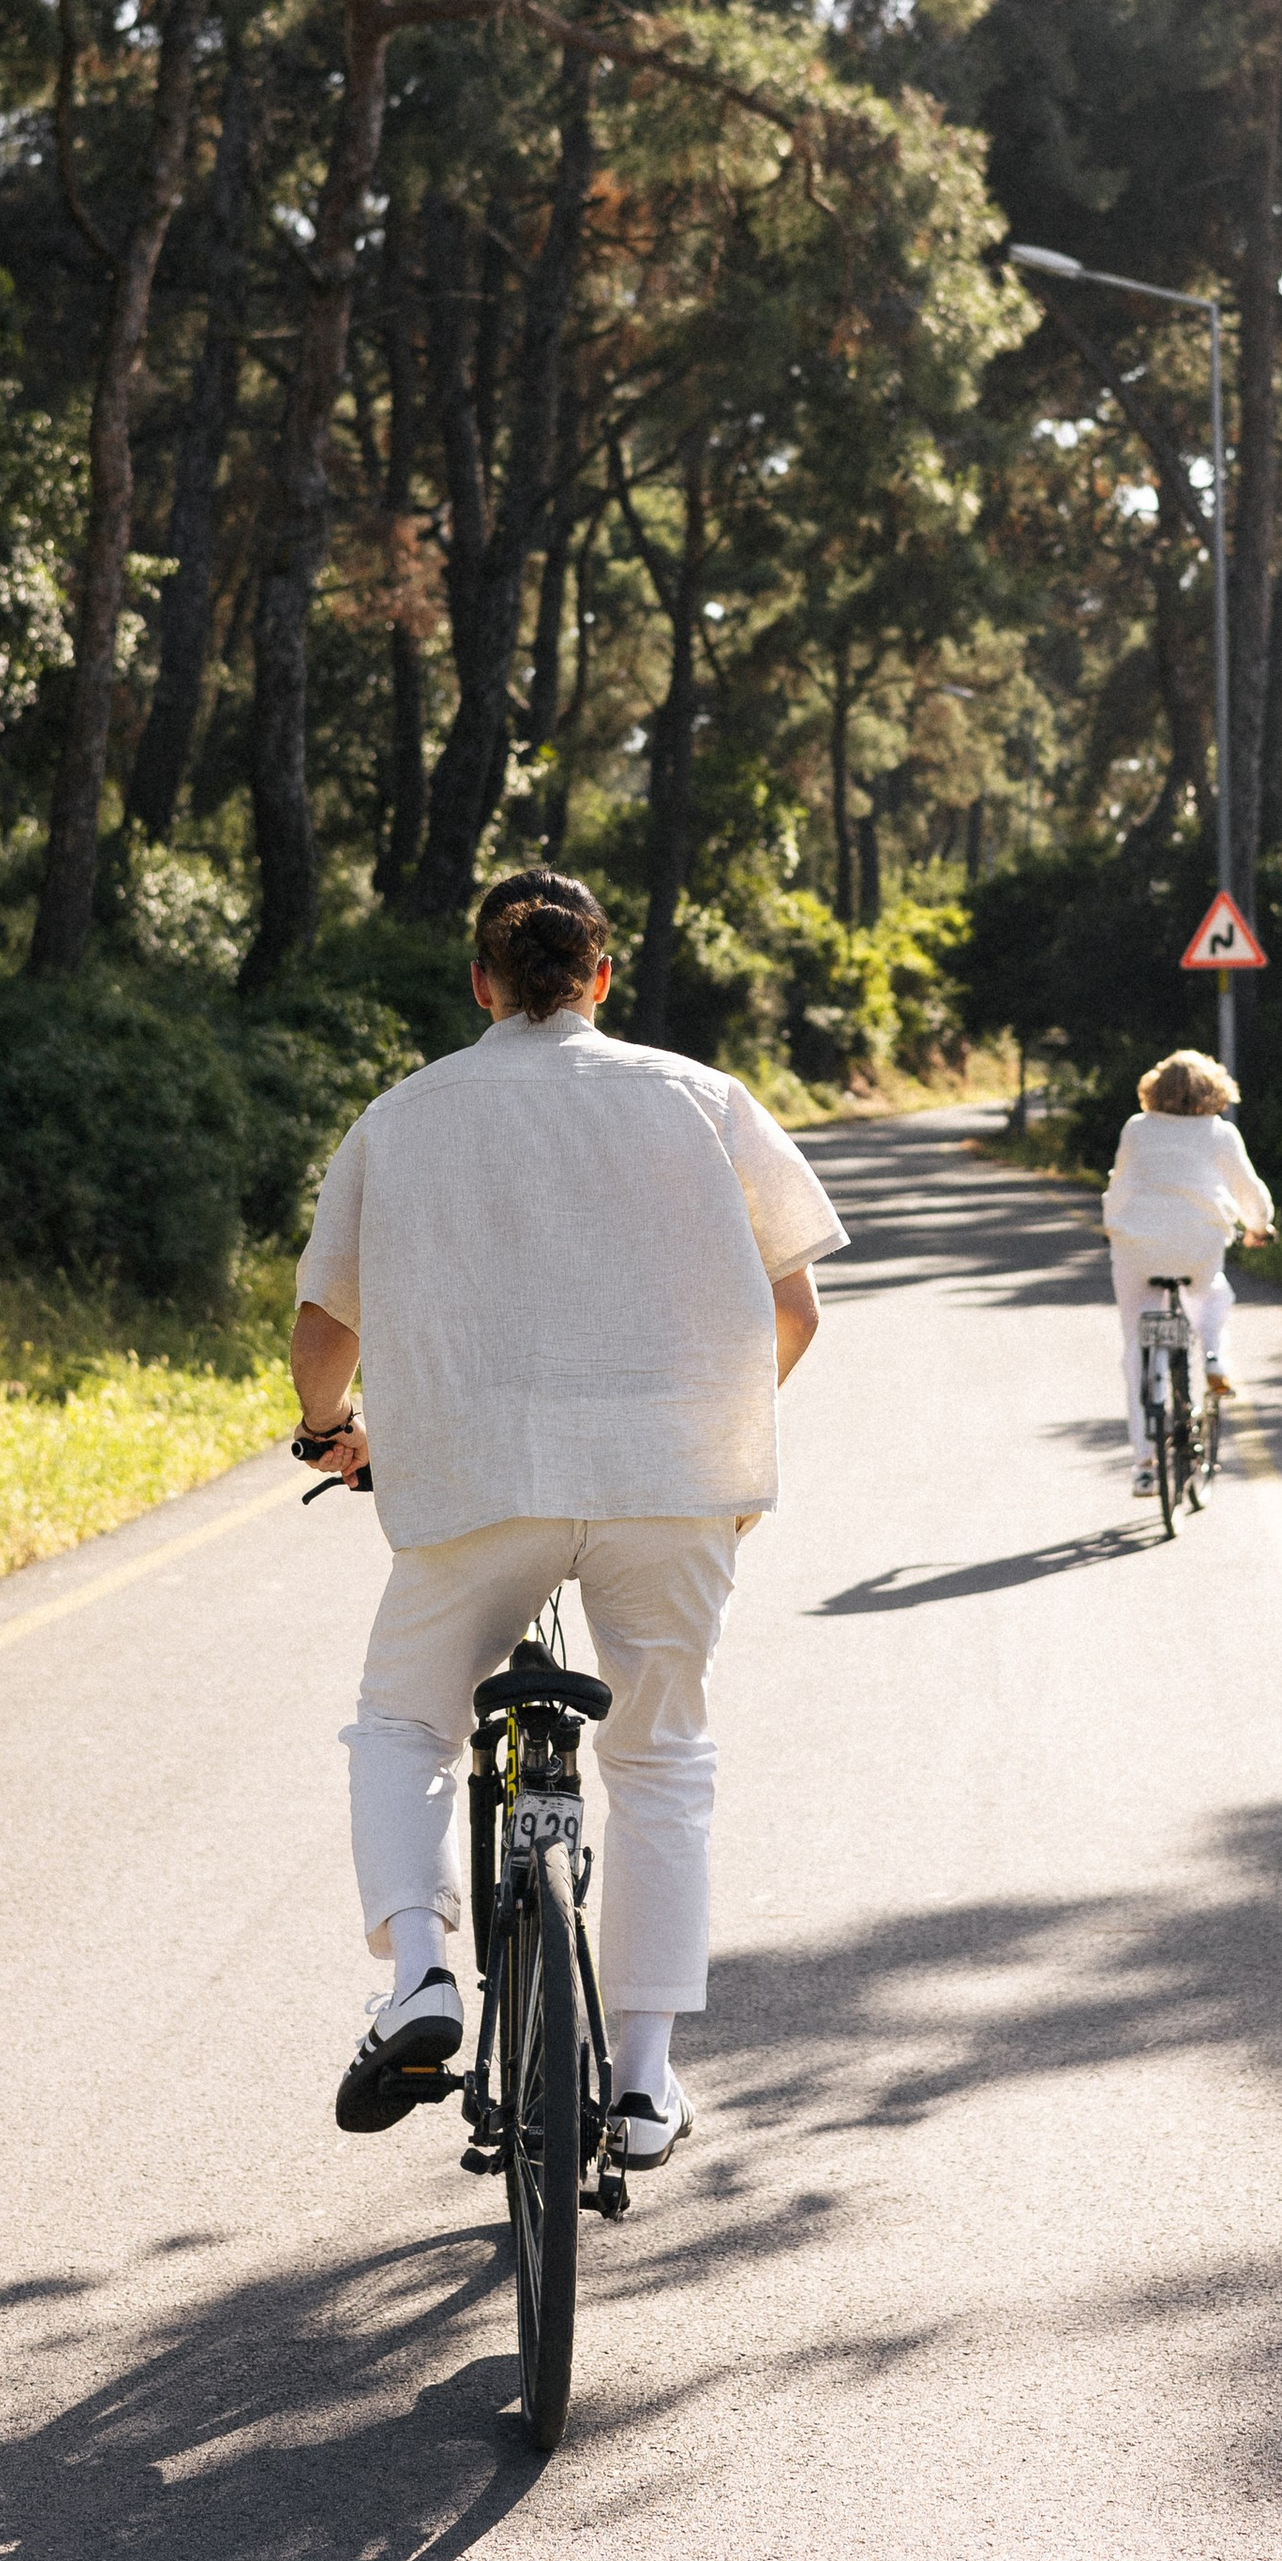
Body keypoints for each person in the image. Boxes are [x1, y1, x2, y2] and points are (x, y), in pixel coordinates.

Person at [290, 866, 847, 2168]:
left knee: (406, 1716)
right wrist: (709, 1435)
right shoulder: (703, 1100)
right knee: (661, 1759)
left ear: (481, 983)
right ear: (601, 976)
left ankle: (421, 1976)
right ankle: (645, 2082)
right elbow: (796, 1308)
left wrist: (331, 1430)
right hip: (669, 1488)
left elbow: (327, 1327)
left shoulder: (402, 1116)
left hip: (475, 1485)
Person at [1101, 1048, 1275, 1492]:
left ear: (1154, 1089)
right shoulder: (1221, 1134)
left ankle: (1144, 1464)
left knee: (1135, 1346)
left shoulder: (1136, 1129)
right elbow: (1250, 1193)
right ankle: (1214, 1356)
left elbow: (1119, 1185)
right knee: (1212, 1292)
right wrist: (1259, 1227)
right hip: (1198, 1248)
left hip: (1136, 1248)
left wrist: (1111, 1226)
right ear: (1212, 1090)